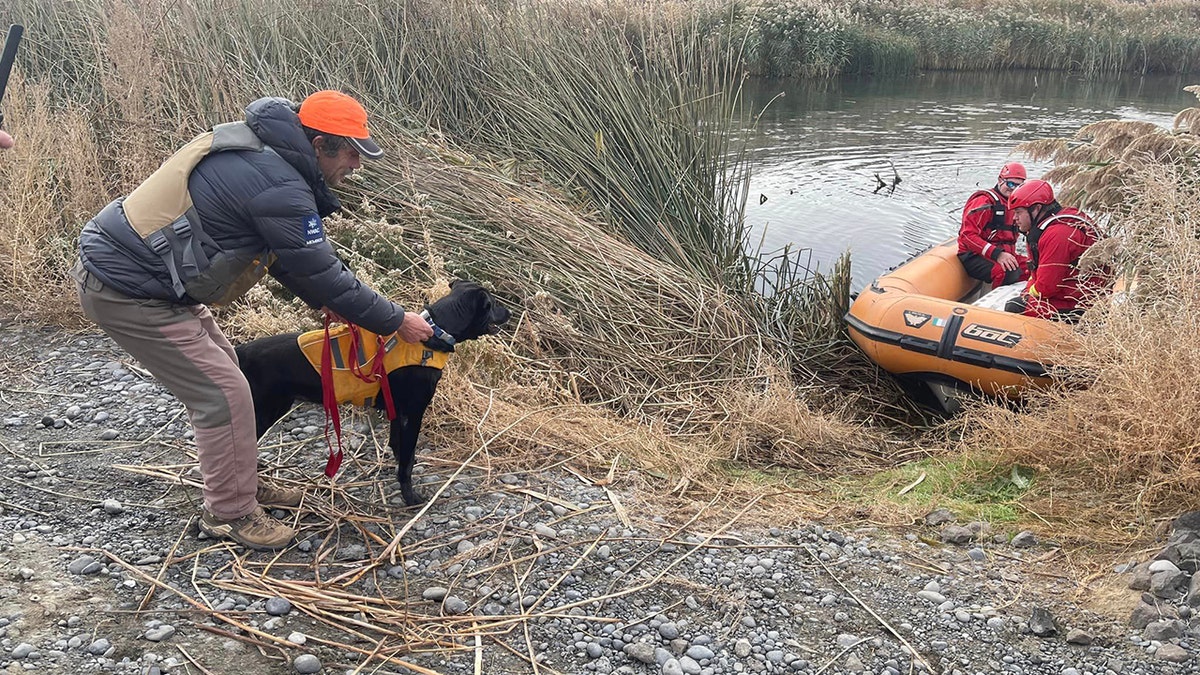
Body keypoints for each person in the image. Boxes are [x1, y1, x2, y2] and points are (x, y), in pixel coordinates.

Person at [71, 91, 434, 550]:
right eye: (350, 152)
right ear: (320, 143)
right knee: (222, 393)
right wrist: (396, 320)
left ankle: (240, 483)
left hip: (149, 279)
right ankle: (229, 512)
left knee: (230, 372)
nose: (356, 164)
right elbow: (318, 267)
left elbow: (284, 254)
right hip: (127, 289)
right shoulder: (278, 183)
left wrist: (322, 298)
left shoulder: (267, 157)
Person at [1003, 179, 1106, 321]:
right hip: (1085, 297)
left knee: (1015, 306)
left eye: (1018, 212)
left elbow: (1046, 287)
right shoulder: (1065, 218)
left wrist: (1028, 294)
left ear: (1036, 209)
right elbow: (1039, 276)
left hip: (1079, 306)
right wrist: (1029, 290)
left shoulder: (1057, 235)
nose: (1014, 218)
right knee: (1026, 296)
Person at [957, 162, 1027, 288]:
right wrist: (997, 254)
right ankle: (997, 305)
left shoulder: (1017, 205)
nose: (1013, 189)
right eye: (1010, 184)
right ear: (1000, 180)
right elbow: (967, 235)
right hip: (974, 255)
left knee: (1033, 268)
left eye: (1019, 186)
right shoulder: (984, 202)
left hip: (1005, 254)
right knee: (1007, 273)